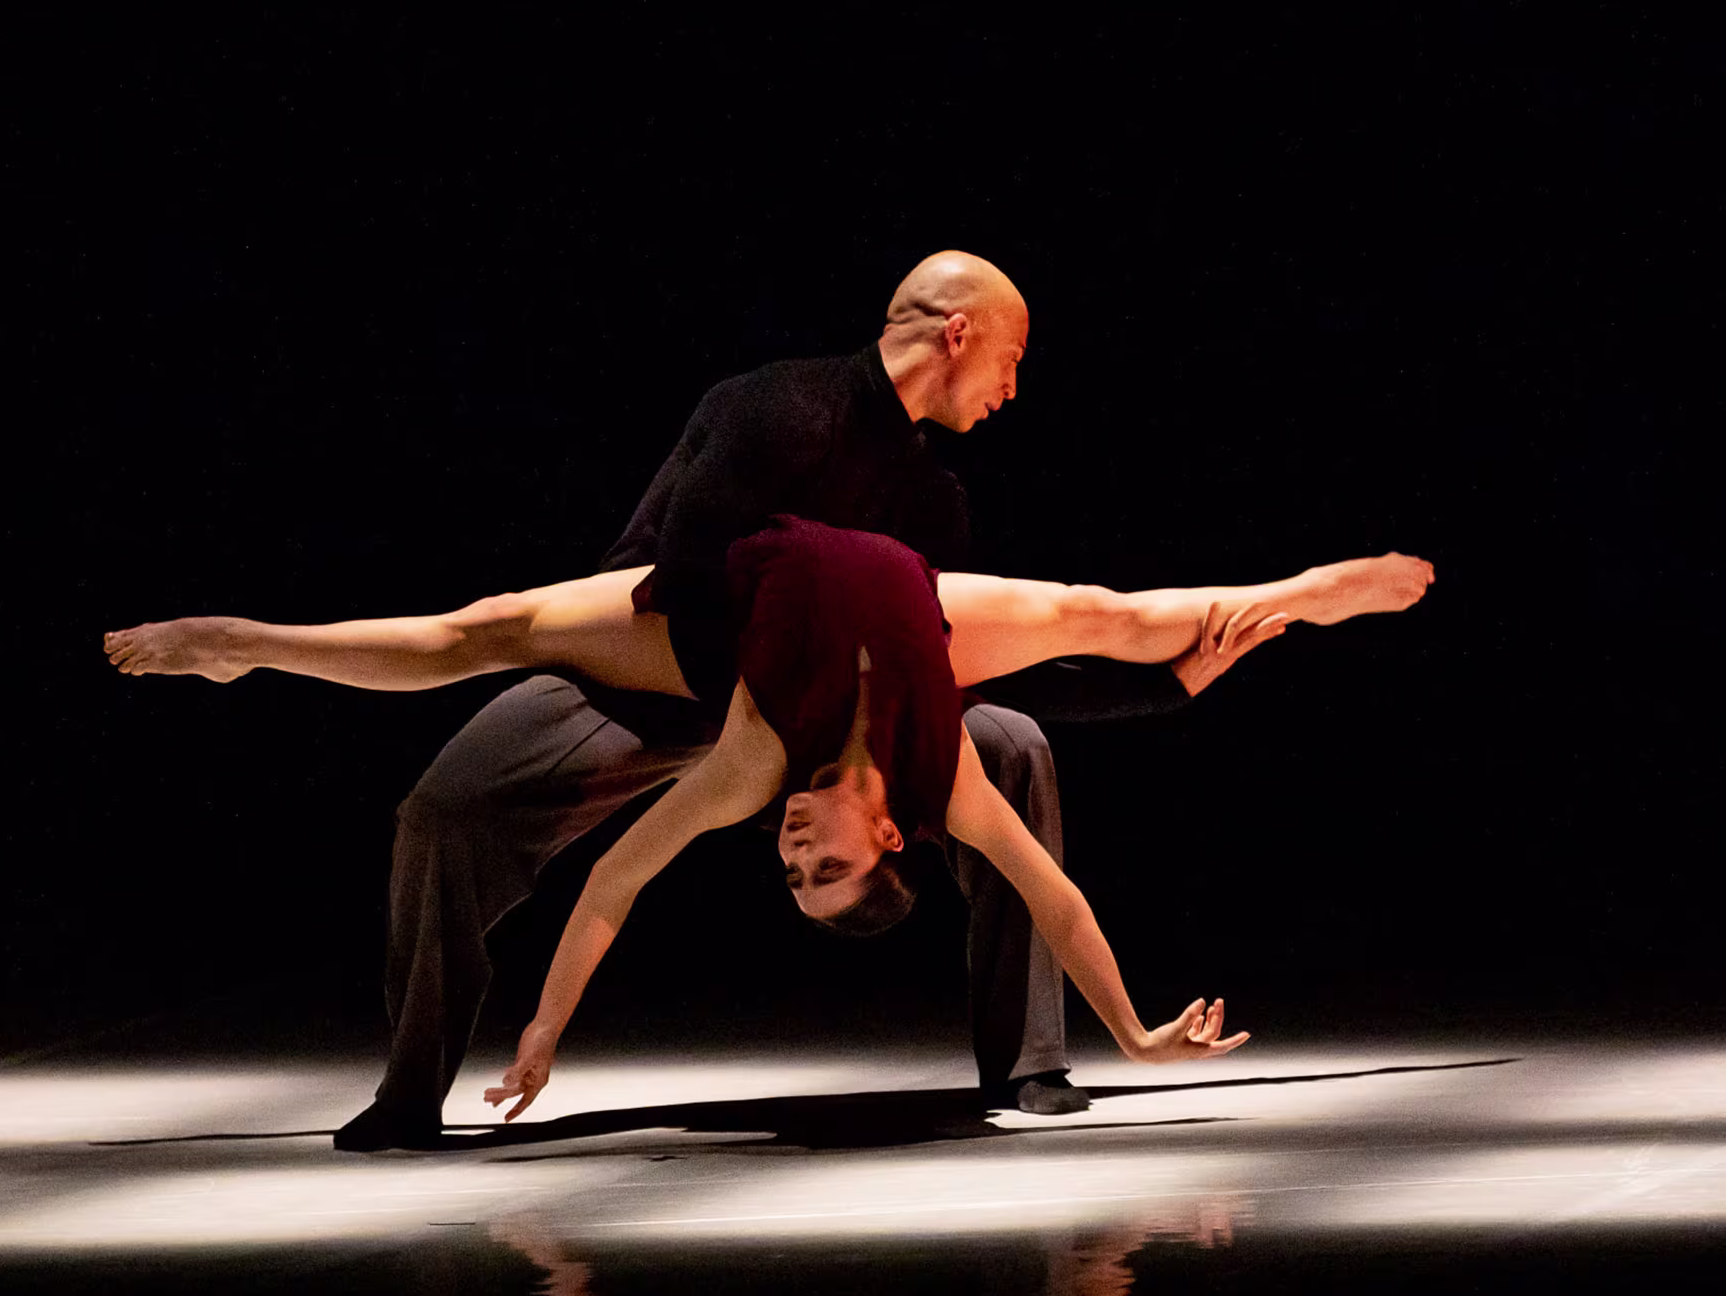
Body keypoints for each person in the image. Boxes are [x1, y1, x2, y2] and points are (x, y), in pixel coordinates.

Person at [103, 251, 1433, 1148]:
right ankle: (409, 1087)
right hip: (671, 654)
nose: (1015, 386)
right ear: (958, 332)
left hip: (772, 698)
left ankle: (1029, 1059)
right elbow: (687, 571)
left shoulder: (927, 502)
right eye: (1011, 357)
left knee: (1019, 735)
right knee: (447, 796)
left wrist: (1182, 679)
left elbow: (995, 650)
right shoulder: (773, 408)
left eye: (792, 867)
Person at [105, 513, 1432, 1116]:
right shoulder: (947, 777)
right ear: (890, 836)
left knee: (480, 632)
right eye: (825, 866)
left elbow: (615, 881)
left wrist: (547, 1030)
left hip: (716, 611)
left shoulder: (748, 761)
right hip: (919, 601)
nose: (793, 852)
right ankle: (1319, 584)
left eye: (790, 875)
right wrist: (1137, 1028)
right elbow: (1057, 897)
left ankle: (248, 640)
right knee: (1116, 617)